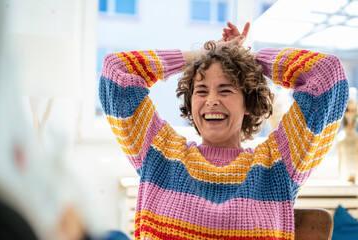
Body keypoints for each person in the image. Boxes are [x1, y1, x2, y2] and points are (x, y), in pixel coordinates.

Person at [99, 22, 349, 240]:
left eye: (226, 89)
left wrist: (248, 60)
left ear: (249, 103)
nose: (211, 100)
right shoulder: (160, 154)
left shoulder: (278, 165)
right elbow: (117, 70)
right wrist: (204, 55)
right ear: (190, 101)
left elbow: (326, 75)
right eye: (201, 90)